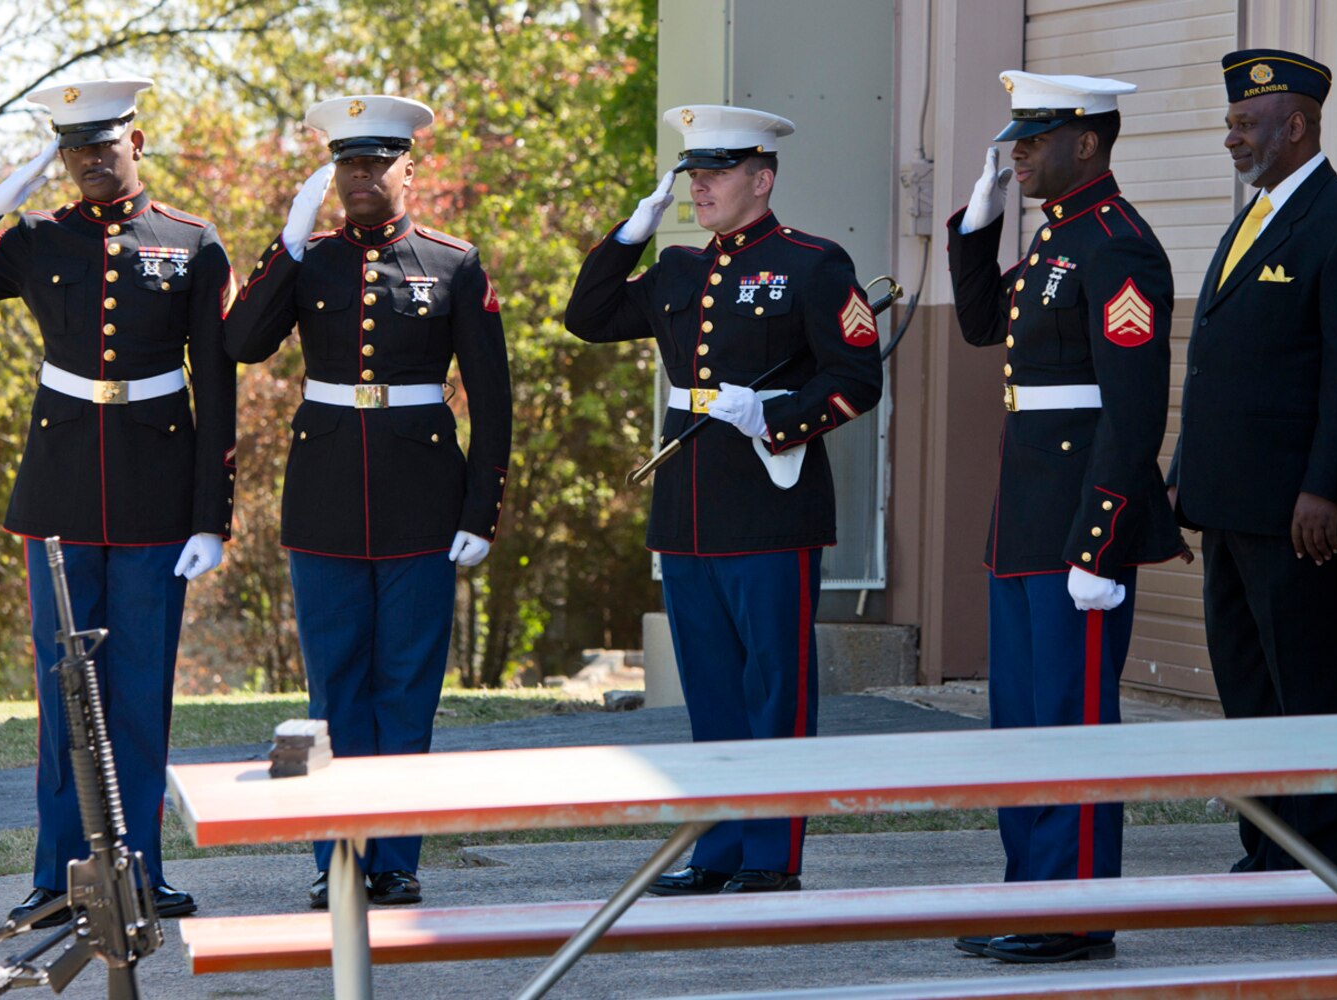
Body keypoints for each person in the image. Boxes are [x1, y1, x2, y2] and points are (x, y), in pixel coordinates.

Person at [0, 77, 236, 923]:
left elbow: (217, 386)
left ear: (137, 142)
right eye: (74, 150)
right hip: (60, 494)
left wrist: (214, 515)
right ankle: (62, 875)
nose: (91, 162)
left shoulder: (193, 243)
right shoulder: (35, 238)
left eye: (104, 146)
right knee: (66, 692)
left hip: (157, 496)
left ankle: (139, 870)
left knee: (140, 693)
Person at [565, 105, 882, 897]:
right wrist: (630, 233)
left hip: (771, 501)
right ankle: (718, 850)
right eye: (691, 174)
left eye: (715, 173)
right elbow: (588, 316)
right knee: (709, 687)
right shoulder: (675, 267)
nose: (697, 186)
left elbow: (856, 381)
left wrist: (773, 418)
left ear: (761, 178)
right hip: (690, 502)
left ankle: (771, 854)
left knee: (774, 683)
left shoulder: (813, 263)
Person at [224, 94, 512, 910]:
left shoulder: (454, 264)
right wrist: (281, 246)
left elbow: (493, 402)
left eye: (377, 163)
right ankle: (338, 857)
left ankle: (395, 858)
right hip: (324, 500)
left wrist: (479, 511)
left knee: (406, 689)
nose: (360, 177)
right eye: (348, 163)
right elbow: (239, 344)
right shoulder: (309, 260)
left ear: (408, 170)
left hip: (425, 498)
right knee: (335, 693)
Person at [944, 71, 1186, 965]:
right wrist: (978, 220)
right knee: (1023, 719)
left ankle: (1075, 911)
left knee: (1073, 718)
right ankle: (1033, 894)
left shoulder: (1118, 246)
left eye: (1034, 139)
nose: (1019, 152)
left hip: (1078, 524)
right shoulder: (1056, 243)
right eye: (1017, 138)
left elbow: (1132, 411)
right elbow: (978, 325)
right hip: (1026, 520)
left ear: (1085, 143)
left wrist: (1101, 539)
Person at [1170, 50, 1337, 873]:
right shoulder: (1257, 217)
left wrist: (1322, 489)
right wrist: (1184, 483)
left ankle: (1314, 867)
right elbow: (1222, 368)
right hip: (1235, 507)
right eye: (1231, 122)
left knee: (1310, 693)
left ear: (1295, 124)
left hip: (1306, 516)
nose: (1229, 137)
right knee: (1250, 690)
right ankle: (1268, 852)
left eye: (1245, 123)